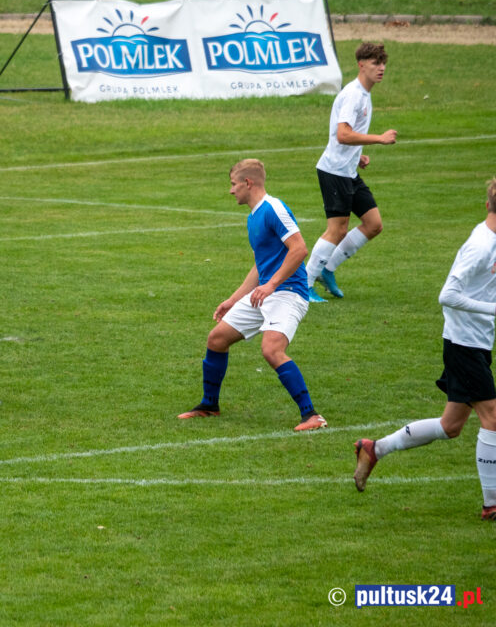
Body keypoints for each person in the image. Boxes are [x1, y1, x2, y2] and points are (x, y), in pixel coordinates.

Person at [353, 178, 496, 520]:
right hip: (463, 343)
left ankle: (374, 449)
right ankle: (491, 504)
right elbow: (447, 295)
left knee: (451, 426)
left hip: (476, 340)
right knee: (492, 416)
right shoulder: (481, 245)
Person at [178, 159, 327, 432]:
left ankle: (312, 416)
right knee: (217, 339)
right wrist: (233, 299)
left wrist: (271, 285)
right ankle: (209, 405)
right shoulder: (253, 216)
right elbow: (261, 265)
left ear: (248, 183)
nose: (231, 190)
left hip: (288, 293)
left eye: (233, 184)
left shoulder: (274, 209)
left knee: (271, 350)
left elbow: (299, 249)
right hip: (265, 292)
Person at [306, 42, 398, 303]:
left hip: (348, 171)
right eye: (375, 63)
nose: (381, 68)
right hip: (334, 171)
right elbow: (343, 134)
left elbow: (347, 137)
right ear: (361, 65)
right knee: (337, 230)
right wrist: (379, 139)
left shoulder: (364, 94)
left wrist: (358, 155)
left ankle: (327, 268)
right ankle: (304, 284)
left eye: (383, 63)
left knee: (373, 224)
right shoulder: (354, 95)